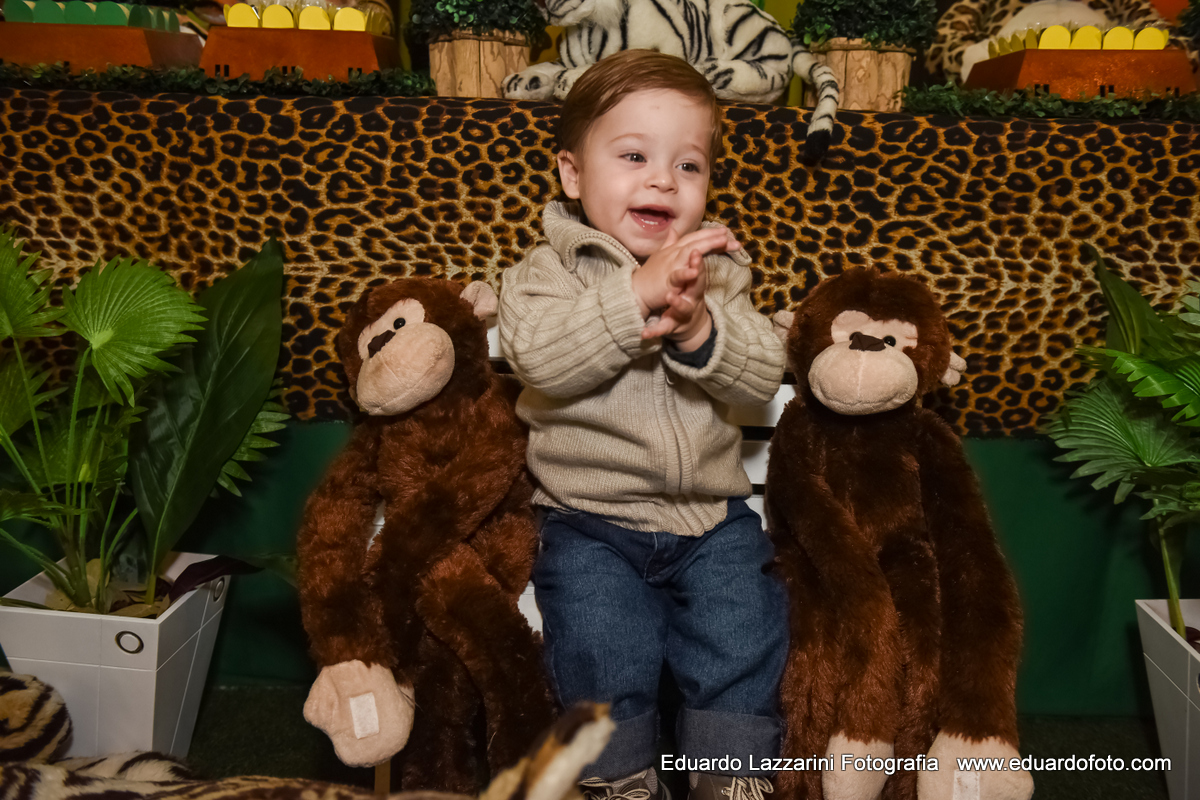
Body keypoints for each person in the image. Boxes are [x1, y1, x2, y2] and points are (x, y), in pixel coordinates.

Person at [498, 49, 788, 800]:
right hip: (587, 519)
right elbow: (542, 360)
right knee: (602, 646)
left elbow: (760, 375)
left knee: (744, 631)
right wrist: (634, 295)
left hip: (712, 517)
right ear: (571, 174)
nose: (663, 179)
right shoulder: (544, 272)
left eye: (689, 166)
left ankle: (731, 778)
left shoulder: (721, 271)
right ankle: (616, 774)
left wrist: (698, 331)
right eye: (633, 156)